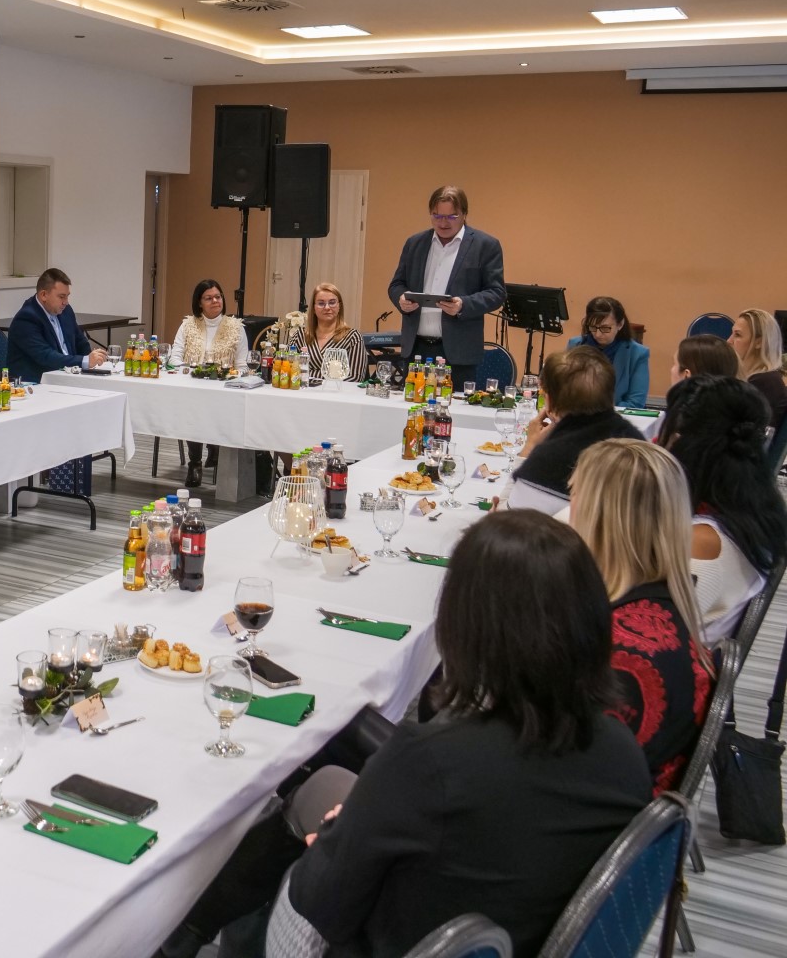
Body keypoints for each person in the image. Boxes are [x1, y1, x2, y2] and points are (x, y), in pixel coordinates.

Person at [157, 511, 649, 958]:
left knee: (292, 860)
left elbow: (320, 903)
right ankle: (190, 930)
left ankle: (186, 929)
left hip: (402, 940)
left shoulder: (431, 763)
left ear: (465, 624)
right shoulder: (623, 755)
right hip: (527, 930)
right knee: (328, 781)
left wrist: (336, 838)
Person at [570, 439, 714, 795]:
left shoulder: (623, 660)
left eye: (574, 495)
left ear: (597, 518)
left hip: (594, 818)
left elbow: (570, 778)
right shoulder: (660, 611)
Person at [658, 375, 787, 641]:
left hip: (680, 652)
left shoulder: (702, 541)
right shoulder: (754, 508)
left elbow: (652, 625)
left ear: (682, 442)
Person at [387, 185, 505, 388]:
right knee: (413, 404)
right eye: (437, 216)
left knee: (453, 408)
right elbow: (397, 284)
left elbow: (496, 293)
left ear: (464, 214)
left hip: (458, 354)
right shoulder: (415, 243)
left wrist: (463, 305)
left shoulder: (486, 245)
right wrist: (401, 299)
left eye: (452, 216)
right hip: (416, 349)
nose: (443, 223)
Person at [504, 346, 643, 514]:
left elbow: (506, 520)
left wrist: (529, 447)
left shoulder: (549, 460)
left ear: (549, 401)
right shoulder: (638, 443)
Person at [167, 278, 249, 487]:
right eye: (209, 298)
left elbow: (243, 365)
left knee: (212, 407)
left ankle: (215, 448)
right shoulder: (188, 325)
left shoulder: (236, 327)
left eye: (218, 297)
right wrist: (194, 370)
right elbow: (174, 359)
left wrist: (228, 375)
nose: (215, 301)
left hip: (224, 390)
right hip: (192, 387)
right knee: (193, 407)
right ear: (199, 302)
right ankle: (195, 462)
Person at [5, 267, 106, 383]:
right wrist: (85, 361)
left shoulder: (65, 310)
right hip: (35, 384)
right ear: (44, 295)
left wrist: (93, 359)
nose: (66, 302)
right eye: (61, 297)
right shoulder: (26, 319)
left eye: (67, 296)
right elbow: (46, 357)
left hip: (67, 376)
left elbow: (80, 341)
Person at [566, 296, 650, 408]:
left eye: (605, 328)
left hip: (616, 416)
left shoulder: (638, 353)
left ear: (620, 324)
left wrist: (602, 411)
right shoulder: (575, 345)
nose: (598, 334)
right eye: (593, 327)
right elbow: (563, 390)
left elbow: (636, 403)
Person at [278, 282, 368, 382]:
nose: (327, 307)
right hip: (305, 390)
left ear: (339, 306)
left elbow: (356, 377)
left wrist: (307, 375)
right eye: (321, 303)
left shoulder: (352, 337)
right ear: (313, 308)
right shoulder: (300, 335)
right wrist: (331, 375)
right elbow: (286, 369)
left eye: (332, 302)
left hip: (338, 391)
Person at [729, 307, 787, 429]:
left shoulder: (765, 383)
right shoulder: (752, 378)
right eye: (732, 333)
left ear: (759, 342)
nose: (729, 341)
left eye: (737, 335)